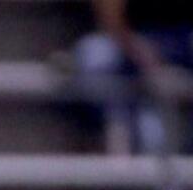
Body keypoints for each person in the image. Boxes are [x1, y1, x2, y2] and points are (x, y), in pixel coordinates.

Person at [74, 0, 193, 155]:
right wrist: (149, 62)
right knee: (93, 54)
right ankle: (118, 130)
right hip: (132, 47)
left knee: (155, 135)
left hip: (182, 49)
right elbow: (110, 16)